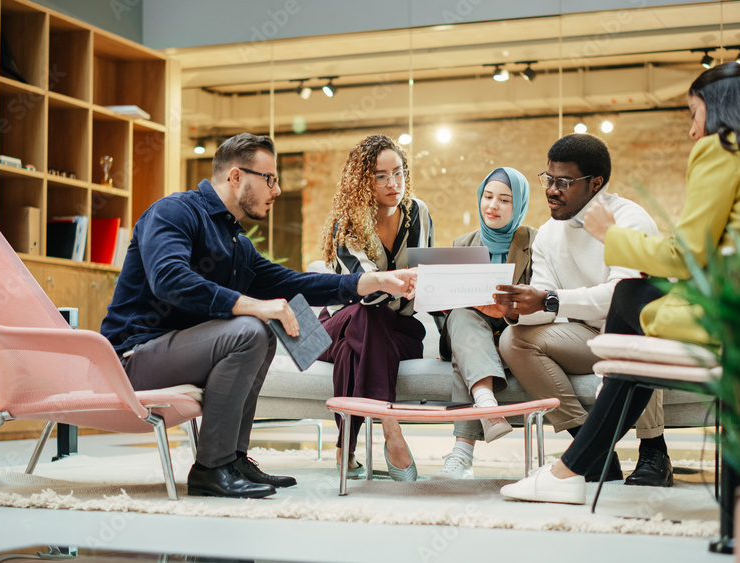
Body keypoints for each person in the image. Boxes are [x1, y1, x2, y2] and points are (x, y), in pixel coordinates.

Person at [500, 62, 740, 504]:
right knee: (633, 305)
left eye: (694, 114)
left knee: (633, 301)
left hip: (737, 318)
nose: (693, 132)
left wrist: (609, 236)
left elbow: (687, 256)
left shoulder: (720, 151)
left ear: (719, 109)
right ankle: (583, 460)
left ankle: (581, 464)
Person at [100, 133, 415, 499]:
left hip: (173, 354)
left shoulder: (236, 242)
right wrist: (257, 305)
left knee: (258, 331)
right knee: (251, 329)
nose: (277, 189)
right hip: (132, 357)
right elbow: (170, 279)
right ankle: (211, 469)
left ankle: (232, 459)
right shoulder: (175, 212)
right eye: (270, 178)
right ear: (236, 177)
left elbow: (294, 283)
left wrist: (374, 281)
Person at [494, 134, 664, 487]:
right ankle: (590, 449)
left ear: (595, 184)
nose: (552, 190)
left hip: (635, 330)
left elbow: (624, 295)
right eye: (549, 179)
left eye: (564, 182)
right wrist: (515, 310)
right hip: (587, 334)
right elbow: (546, 305)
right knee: (514, 339)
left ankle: (655, 452)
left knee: (637, 338)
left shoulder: (630, 220)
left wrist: (550, 299)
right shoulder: (547, 234)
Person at [319, 134, 434, 482]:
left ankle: (345, 447)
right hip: (340, 323)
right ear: (362, 181)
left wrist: (401, 285)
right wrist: (401, 284)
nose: (393, 183)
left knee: (359, 339)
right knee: (366, 313)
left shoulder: (418, 212)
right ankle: (391, 429)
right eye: (380, 176)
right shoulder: (349, 224)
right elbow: (365, 292)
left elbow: (425, 279)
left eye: (398, 172)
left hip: (397, 332)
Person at [430, 167, 539, 480]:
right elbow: (443, 313)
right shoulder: (463, 243)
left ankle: (463, 450)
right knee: (463, 316)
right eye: (488, 196)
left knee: (465, 355)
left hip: (512, 335)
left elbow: (540, 302)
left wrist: (504, 311)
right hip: (468, 332)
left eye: (505, 199)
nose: (493, 205)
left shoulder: (535, 242)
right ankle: (487, 407)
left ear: (518, 205)